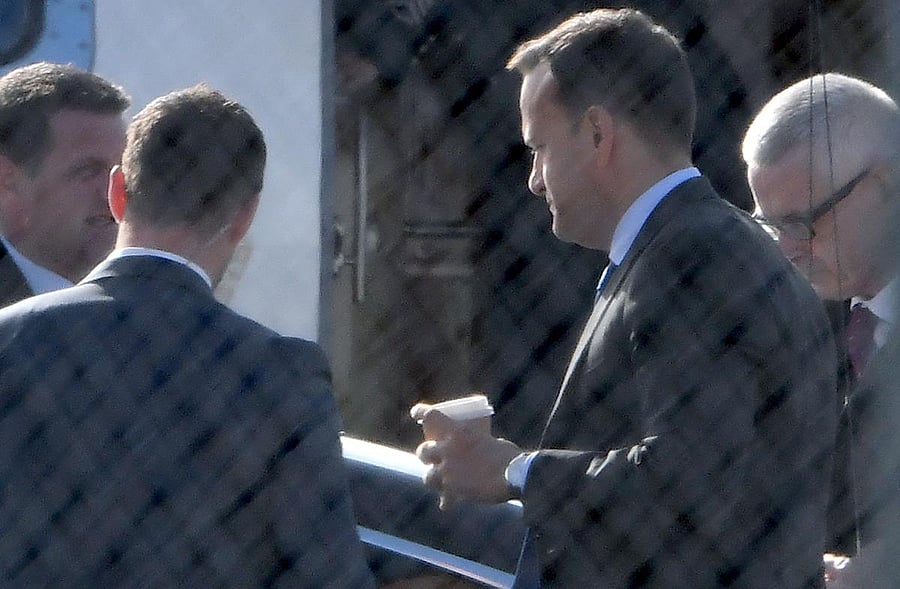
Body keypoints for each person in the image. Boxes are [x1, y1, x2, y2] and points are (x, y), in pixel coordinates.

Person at [414, 8, 838, 588]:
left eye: (537, 148)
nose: (533, 179)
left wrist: (514, 471)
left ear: (597, 133)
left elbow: (687, 490)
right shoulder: (703, 247)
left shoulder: (692, 258)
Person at [0, 85, 375, 588]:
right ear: (244, 217)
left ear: (118, 194)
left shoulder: (12, 338)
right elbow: (326, 573)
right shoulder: (278, 371)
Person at [742, 72, 900, 588]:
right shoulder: (803, 322)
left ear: (885, 184)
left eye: (803, 222)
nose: (787, 250)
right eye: (771, 225)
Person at [0, 62, 129, 305]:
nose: (115, 192)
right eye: (88, 171)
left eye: (124, 169)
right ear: (8, 181)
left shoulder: (152, 308)